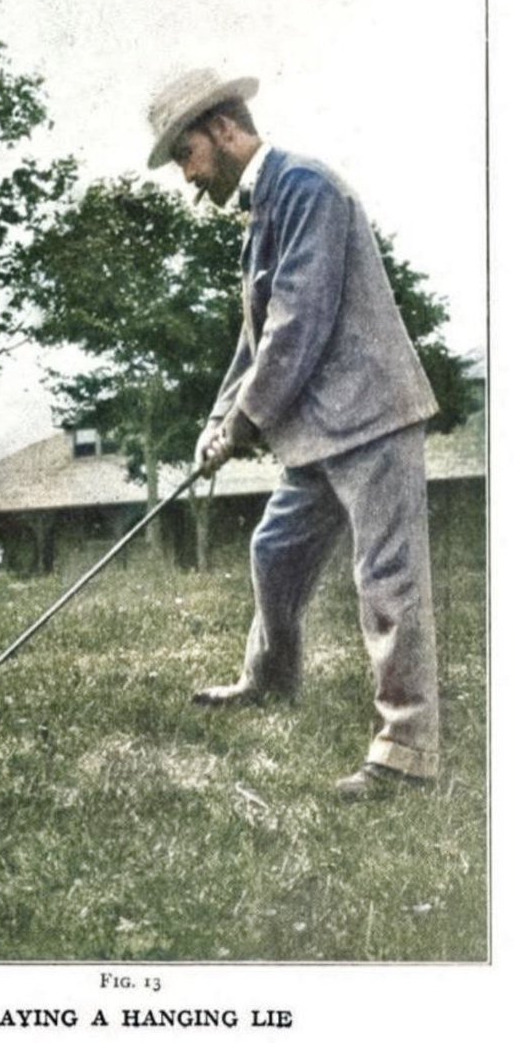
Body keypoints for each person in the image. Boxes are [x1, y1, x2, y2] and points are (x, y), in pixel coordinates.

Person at [146, 68, 440, 799]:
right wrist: (220, 420)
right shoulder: (265, 206)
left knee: (386, 581)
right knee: (274, 551)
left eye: (185, 154)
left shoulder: (305, 187)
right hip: (318, 427)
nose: (187, 177)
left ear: (222, 129)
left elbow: (296, 324)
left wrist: (245, 422)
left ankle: (407, 751)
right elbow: (256, 338)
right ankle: (268, 682)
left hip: (369, 416)